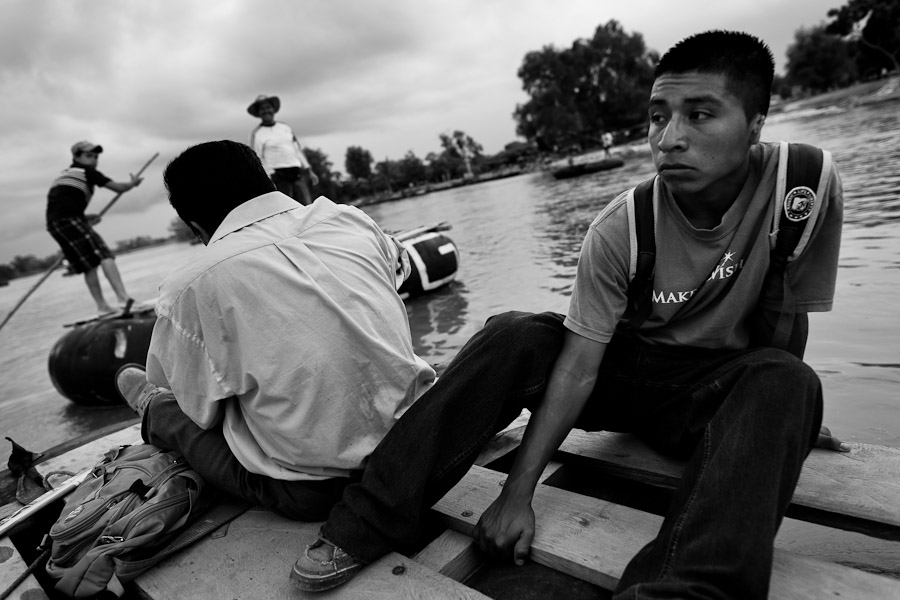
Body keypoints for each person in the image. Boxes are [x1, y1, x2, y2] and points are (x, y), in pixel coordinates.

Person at [287, 30, 847, 598]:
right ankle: (366, 521)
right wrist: (516, 493)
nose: (670, 139)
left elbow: (784, 315)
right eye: (658, 117)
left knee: (788, 379)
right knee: (515, 334)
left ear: (756, 124)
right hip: (623, 378)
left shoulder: (803, 187)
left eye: (700, 115)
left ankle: (683, 590)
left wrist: (783, 416)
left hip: (710, 392)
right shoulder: (623, 226)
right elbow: (580, 367)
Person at [46, 141, 142, 313]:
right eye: (89, 156)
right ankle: (124, 299)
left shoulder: (65, 174)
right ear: (76, 157)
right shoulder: (86, 172)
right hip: (68, 220)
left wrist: (84, 218)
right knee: (104, 254)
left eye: (96, 157)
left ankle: (102, 307)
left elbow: (62, 204)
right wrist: (132, 184)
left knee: (88, 264)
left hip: (56, 224)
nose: (94, 160)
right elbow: (118, 188)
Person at [247, 94, 320, 205]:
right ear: (258, 113)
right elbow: (257, 158)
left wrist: (309, 170)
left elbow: (297, 149)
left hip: (296, 173)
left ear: (273, 109)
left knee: (306, 207)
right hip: (277, 177)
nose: (266, 111)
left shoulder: (285, 128)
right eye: (262, 109)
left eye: (268, 107)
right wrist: (267, 178)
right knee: (287, 209)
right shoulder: (257, 134)